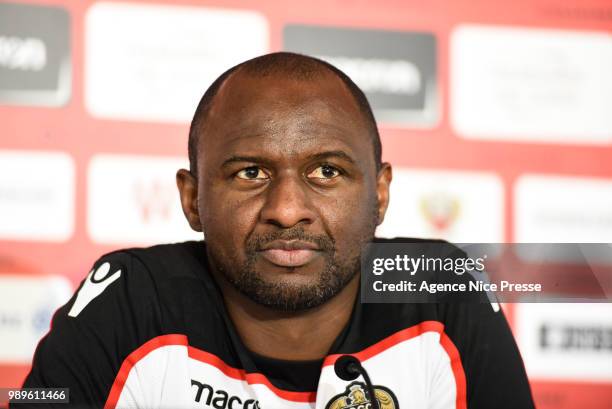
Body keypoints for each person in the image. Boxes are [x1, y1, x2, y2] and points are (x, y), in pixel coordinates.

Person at [17, 52, 534, 409]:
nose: (287, 211)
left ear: (379, 195)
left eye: (326, 171)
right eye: (250, 173)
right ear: (193, 200)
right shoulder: (131, 295)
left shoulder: (436, 284)